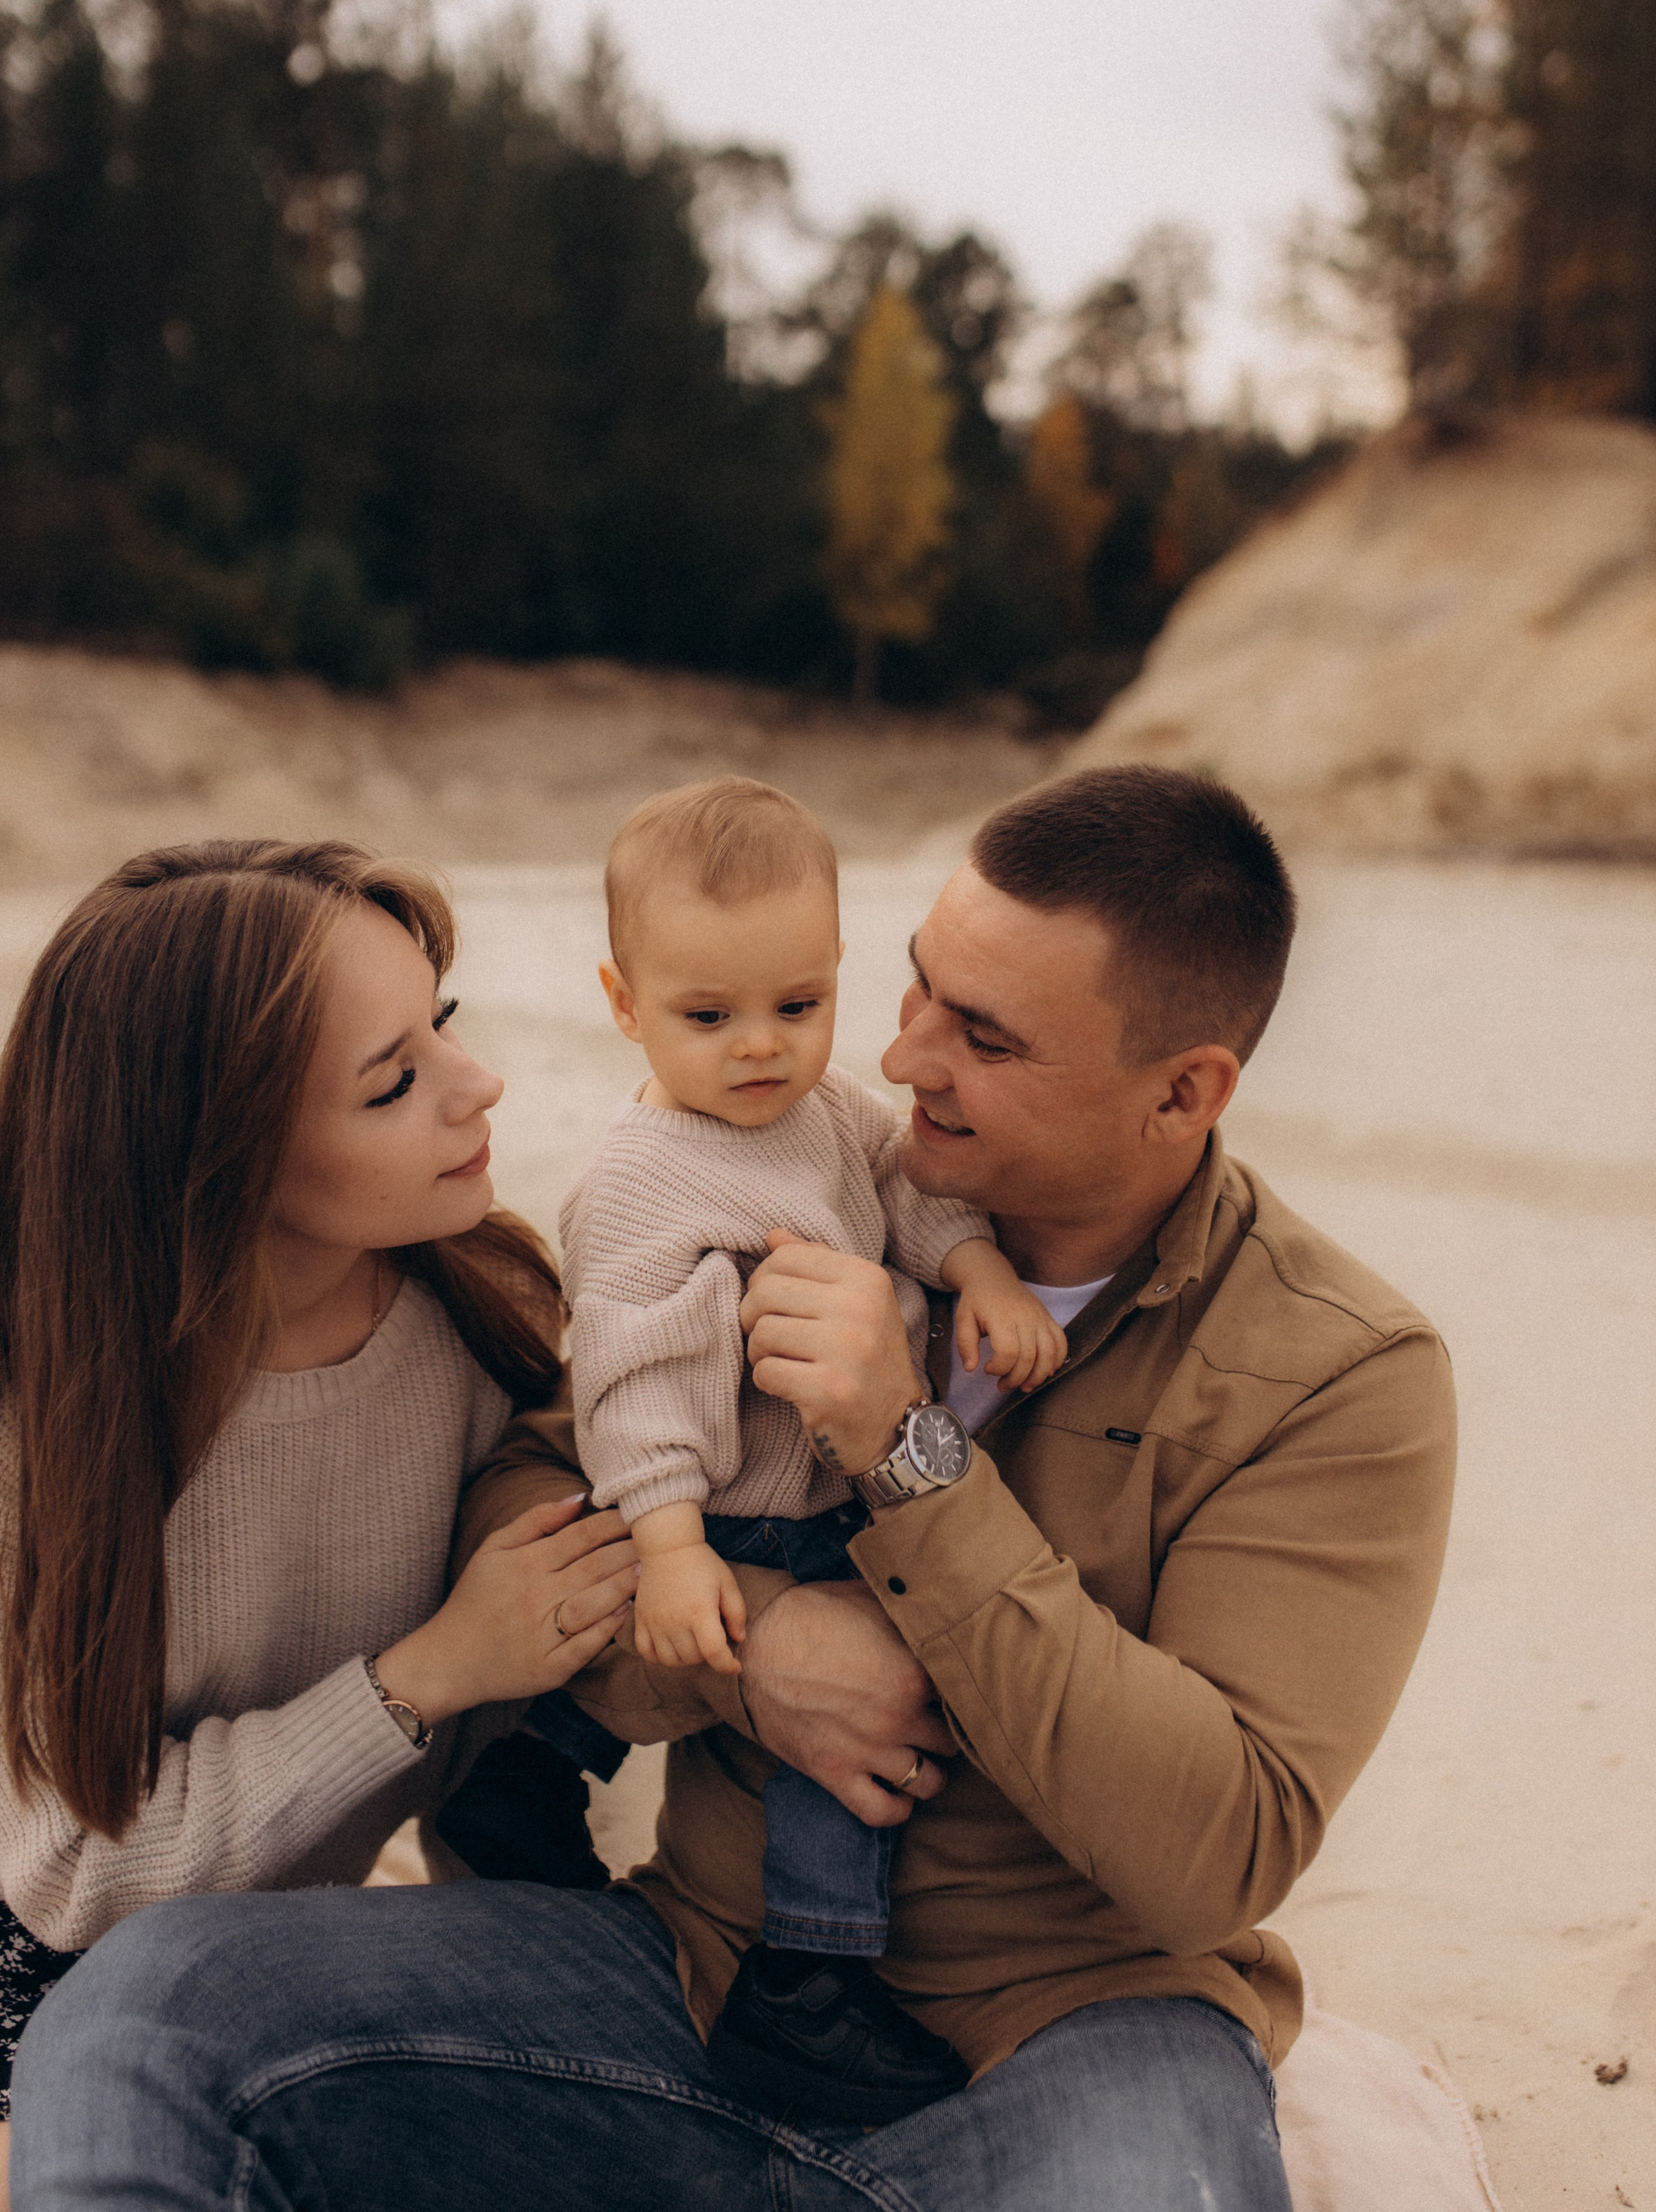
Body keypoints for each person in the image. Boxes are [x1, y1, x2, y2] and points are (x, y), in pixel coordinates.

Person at [12, 768, 1457, 2212]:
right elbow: (534, 1477)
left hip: (1073, 2030)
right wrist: (746, 1642)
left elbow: (1219, 1848)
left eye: (984, 1038)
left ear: (1182, 1088)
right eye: (911, 992)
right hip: (685, 1978)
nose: (898, 1062)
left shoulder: (1336, 1373)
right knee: (151, 2009)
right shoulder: (769, 1177)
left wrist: (908, 1451)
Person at [0, 840, 636, 2140]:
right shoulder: (38, 1410)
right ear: (215, 1156)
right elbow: (65, 1869)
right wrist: (422, 1676)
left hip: (299, 1969)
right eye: (396, 1081)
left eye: (441, 1028)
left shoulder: (481, 1318)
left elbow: (503, 1757)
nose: (479, 1085)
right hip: (43, 1976)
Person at [556, 778, 1063, 2121]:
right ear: (623, 1003)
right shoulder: (643, 1179)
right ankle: (807, 1981)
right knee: (829, 1735)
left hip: (833, 1487)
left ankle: (541, 1758)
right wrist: (667, 1543)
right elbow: (632, 1379)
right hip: (725, 1509)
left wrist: (983, 1274)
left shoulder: (829, 1110)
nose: (759, 1047)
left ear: (838, 973)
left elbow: (909, 1194)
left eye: (795, 1004)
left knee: (861, 1685)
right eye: (705, 1017)